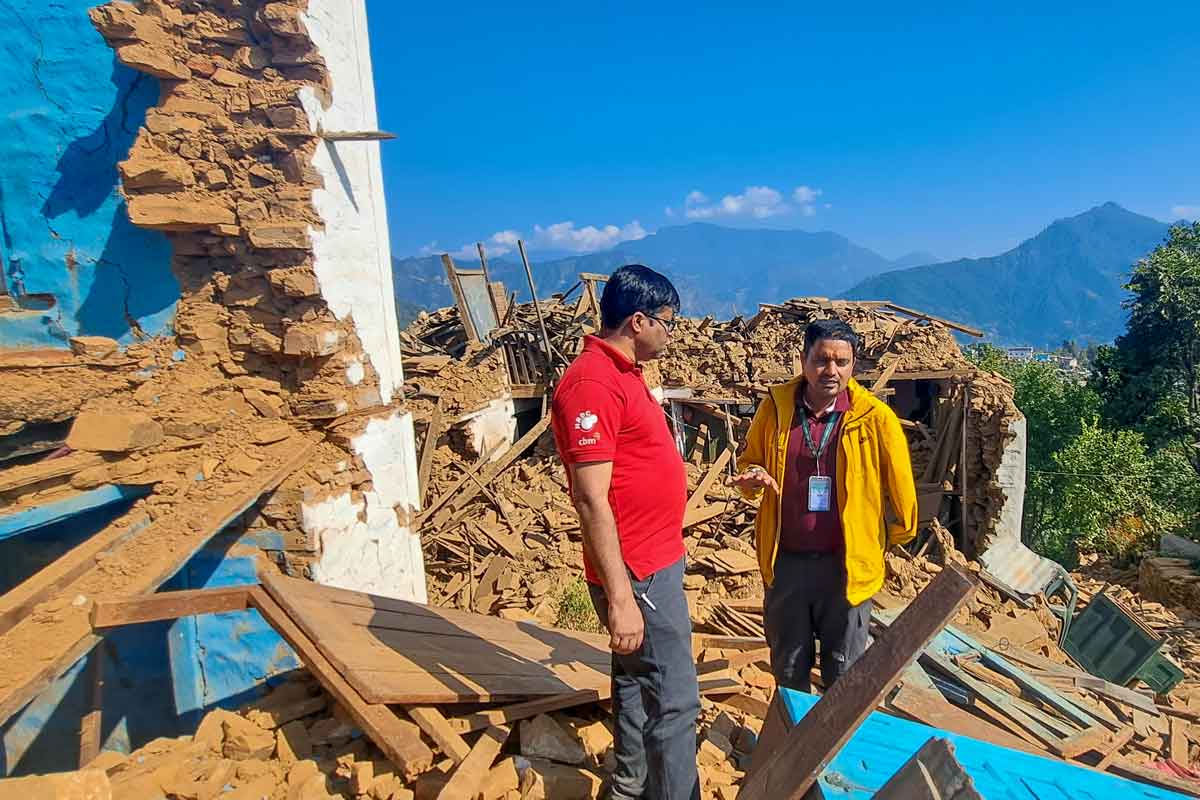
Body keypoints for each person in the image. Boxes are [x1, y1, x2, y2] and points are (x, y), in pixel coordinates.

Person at [551, 264, 700, 800]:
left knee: (636, 683)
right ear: (638, 321)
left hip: (653, 561)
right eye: (668, 322)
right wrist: (621, 599)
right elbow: (590, 497)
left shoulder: (624, 372)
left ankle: (630, 786)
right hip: (638, 572)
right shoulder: (591, 384)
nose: (671, 333)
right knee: (676, 702)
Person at [731, 318, 918, 693]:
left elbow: (903, 494)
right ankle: (793, 732)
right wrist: (752, 479)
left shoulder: (874, 419)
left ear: (854, 365)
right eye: (821, 360)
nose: (831, 371)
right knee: (788, 672)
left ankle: (836, 735)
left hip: (846, 569)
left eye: (841, 362)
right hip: (787, 566)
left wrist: (878, 543)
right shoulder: (776, 409)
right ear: (803, 360)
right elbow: (750, 464)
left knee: (845, 677)